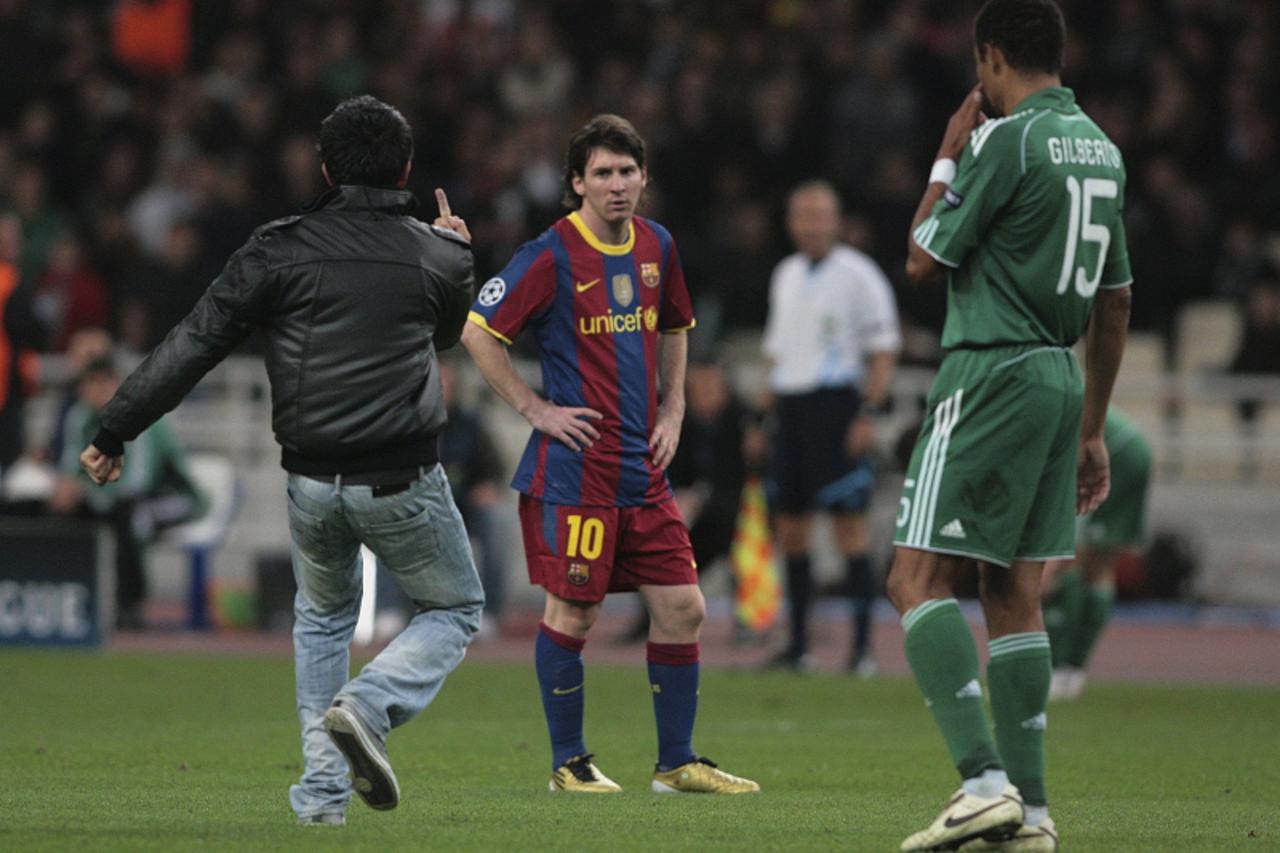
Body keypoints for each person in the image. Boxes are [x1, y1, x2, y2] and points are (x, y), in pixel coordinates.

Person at [76, 95, 483, 825]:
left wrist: (113, 428)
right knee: (454, 606)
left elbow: (192, 343)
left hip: (310, 482)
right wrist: (457, 246)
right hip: (402, 480)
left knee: (323, 620)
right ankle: (368, 704)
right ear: (408, 170)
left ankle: (323, 797)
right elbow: (447, 332)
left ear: (324, 168)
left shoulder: (276, 247)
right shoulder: (438, 252)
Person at [887, 1, 1132, 849]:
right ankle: (1031, 812)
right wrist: (1094, 425)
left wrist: (947, 152)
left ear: (990, 58)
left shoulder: (1006, 139)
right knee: (1011, 591)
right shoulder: (1102, 149)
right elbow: (1115, 296)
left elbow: (923, 254)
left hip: (989, 367)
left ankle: (982, 782)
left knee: (915, 579)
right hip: (1062, 378)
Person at [462, 114, 759, 795]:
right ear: (577, 184)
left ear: (644, 178)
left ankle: (675, 762)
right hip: (579, 470)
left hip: (642, 469)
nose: (617, 184)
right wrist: (535, 409)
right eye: (602, 173)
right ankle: (569, 762)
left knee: (684, 606)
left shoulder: (658, 244)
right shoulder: (551, 253)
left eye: (627, 171)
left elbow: (677, 324)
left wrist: (675, 406)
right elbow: (480, 331)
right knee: (575, 611)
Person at [762, 179, 901, 674]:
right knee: (792, 529)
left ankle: (861, 650)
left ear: (837, 221)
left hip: (837, 406)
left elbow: (883, 349)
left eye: (821, 215)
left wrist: (867, 412)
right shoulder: (786, 274)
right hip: (792, 409)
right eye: (804, 215)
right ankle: (797, 646)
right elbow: (777, 355)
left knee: (849, 530)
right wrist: (765, 418)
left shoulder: (859, 275)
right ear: (791, 222)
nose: (813, 224)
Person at [49, 354, 208, 629]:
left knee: (134, 518)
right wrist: (65, 490)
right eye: (91, 384)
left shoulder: (138, 415)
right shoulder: (80, 417)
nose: (97, 391)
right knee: (67, 513)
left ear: (117, 385)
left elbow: (139, 480)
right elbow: (70, 467)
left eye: (104, 383)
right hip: (110, 494)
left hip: (171, 495)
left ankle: (132, 606)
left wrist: (84, 490)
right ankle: (72, 598)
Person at [1043, 408, 1151, 700]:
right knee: (1099, 566)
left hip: (1107, 453)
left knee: (1069, 561)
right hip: (1133, 447)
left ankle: (1055, 668)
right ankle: (1072, 670)